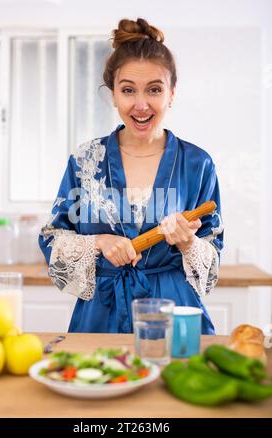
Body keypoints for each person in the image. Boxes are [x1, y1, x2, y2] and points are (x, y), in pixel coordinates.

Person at [39, 18, 224, 335]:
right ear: (113, 95)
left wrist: (187, 242)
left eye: (154, 89)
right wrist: (100, 242)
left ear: (171, 93)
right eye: (128, 90)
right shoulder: (85, 161)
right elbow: (52, 239)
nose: (141, 105)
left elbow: (211, 261)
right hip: (102, 312)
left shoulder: (197, 164)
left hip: (174, 312)